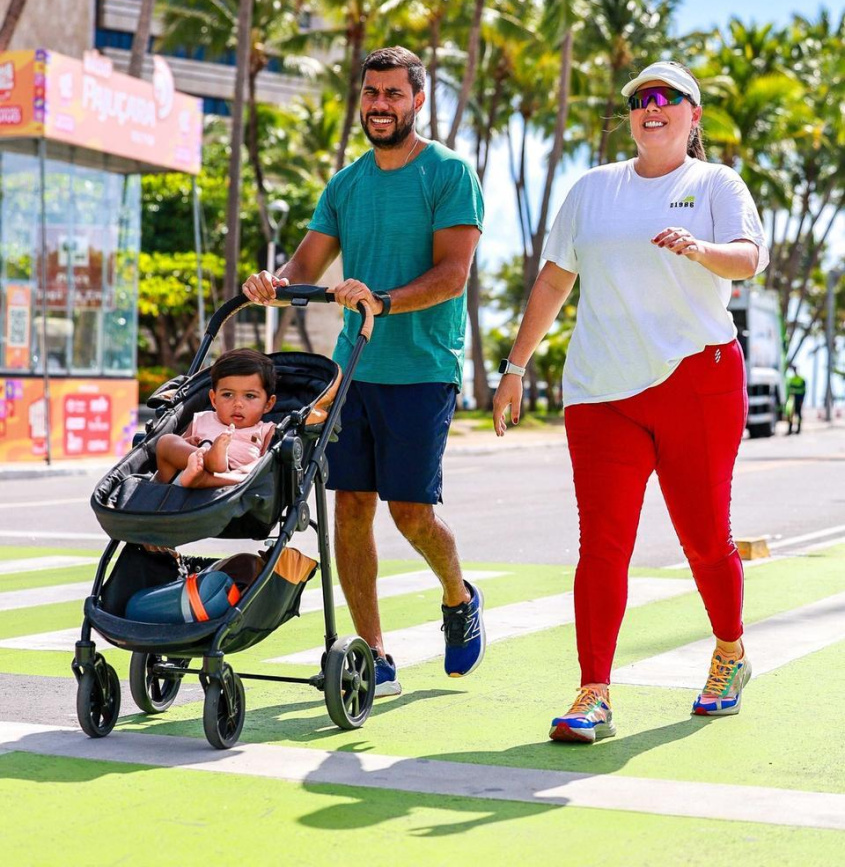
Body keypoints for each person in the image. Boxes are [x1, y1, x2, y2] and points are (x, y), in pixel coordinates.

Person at [493, 60, 768, 744]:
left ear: (691, 115)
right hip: (600, 391)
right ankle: (592, 691)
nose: (652, 107)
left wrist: (700, 249)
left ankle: (729, 653)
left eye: (667, 98)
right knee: (602, 545)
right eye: (641, 98)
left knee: (704, 536)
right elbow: (554, 280)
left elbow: (747, 257)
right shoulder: (592, 189)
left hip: (696, 381)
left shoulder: (713, 183)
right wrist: (514, 365)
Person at [242, 45, 486, 697]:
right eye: (371, 93)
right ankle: (373, 653)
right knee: (350, 506)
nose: (379, 105)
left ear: (416, 101)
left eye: (393, 94)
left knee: (411, 514)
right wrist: (274, 282)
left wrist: (383, 299)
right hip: (352, 370)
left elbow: (451, 274)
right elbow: (305, 263)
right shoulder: (345, 183)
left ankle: (458, 596)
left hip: (422, 369)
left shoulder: (448, 174)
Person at [156, 349, 276, 488]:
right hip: (185, 479)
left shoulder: (266, 430)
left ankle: (206, 478)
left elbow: (267, 465)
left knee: (260, 468)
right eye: (227, 395)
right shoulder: (202, 419)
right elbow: (180, 452)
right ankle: (209, 459)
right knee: (166, 441)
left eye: (249, 396)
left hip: (229, 485)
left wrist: (238, 474)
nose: (238, 404)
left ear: (268, 404)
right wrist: (189, 444)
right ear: (213, 399)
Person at [786, 370, 807, 434]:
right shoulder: (791, 379)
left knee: (798, 414)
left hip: (799, 399)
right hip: (792, 399)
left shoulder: (802, 379)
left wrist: (802, 400)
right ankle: (790, 429)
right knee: (790, 414)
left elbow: (804, 390)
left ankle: (798, 429)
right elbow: (788, 389)